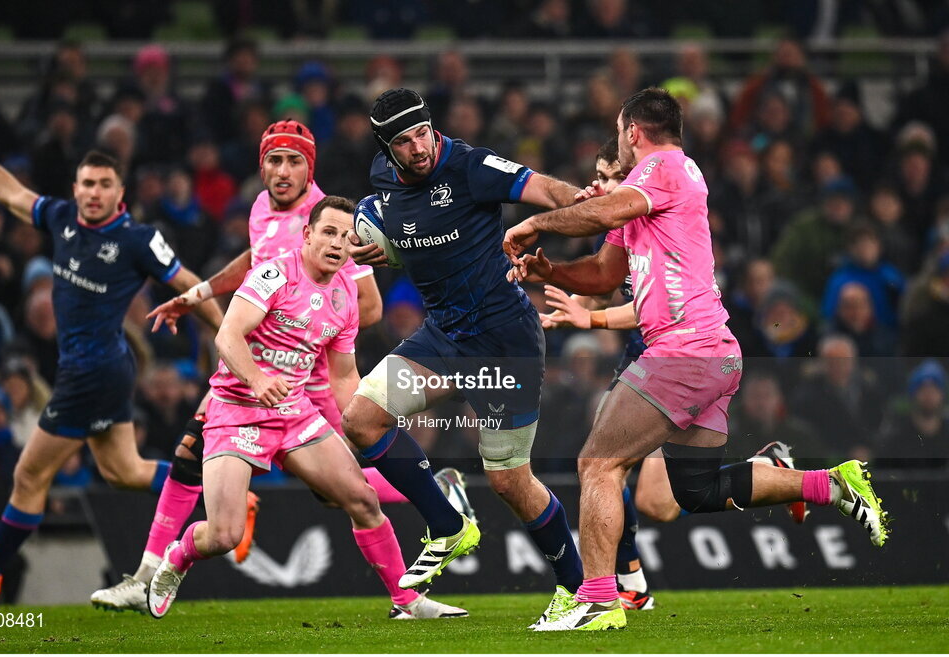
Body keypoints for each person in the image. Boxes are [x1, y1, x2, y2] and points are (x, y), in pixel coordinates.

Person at [504, 88, 889, 631]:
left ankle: (597, 599)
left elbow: (602, 213)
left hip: (683, 351)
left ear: (633, 132)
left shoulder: (668, 167)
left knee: (598, 463)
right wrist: (550, 271)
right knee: (696, 490)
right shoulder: (641, 198)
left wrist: (538, 222)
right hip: (712, 356)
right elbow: (604, 275)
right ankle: (832, 484)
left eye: (619, 133)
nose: (618, 143)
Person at [92, 120, 469, 615]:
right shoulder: (267, 221)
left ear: (310, 168)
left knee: (352, 496)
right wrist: (202, 295)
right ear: (262, 166)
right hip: (247, 393)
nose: (284, 170)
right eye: (275, 159)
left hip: (300, 395)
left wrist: (352, 392)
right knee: (215, 504)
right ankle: (162, 565)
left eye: (295, 160)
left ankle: (408, 595)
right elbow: (245, 288)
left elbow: (352, 345)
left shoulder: (333, 241)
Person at [0, 95, 224, 603]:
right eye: (87, 183)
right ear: (75, 188)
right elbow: (9, 192)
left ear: (120, 192)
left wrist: (226, 334)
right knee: (123, 471)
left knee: (28, 473)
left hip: (93, 371)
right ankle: (226, 494)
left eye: (104, 184)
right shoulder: (61, 218)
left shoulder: (136, 239)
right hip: (98, 369)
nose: (94, 192)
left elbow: (189, 281)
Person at [511, 138, 808, 613]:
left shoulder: (662, 216)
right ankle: (773, 471)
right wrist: (561, 290)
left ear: (631, 173)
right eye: (597, 176)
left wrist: (594, 317)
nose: (599, 185)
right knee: (655, 499)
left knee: (606, 466)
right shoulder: (623, 224)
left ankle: (622, 585)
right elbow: (598, 283)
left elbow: (647, 303)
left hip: (678, 355)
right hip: (650, 354)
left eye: (609, 176)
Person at [340, 87, 587, 627]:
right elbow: (399, 226)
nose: (419, 148)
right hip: (444, 339)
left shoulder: (472, 166)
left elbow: (543, 188)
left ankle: (579, 589)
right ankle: (447, 523)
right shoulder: (383, 182)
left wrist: (594, 203)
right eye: (404, 142)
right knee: (361, 419)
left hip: (504, 342)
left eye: (424, 134)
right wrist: (382, 245)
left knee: (509, 482)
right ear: (387, 149)